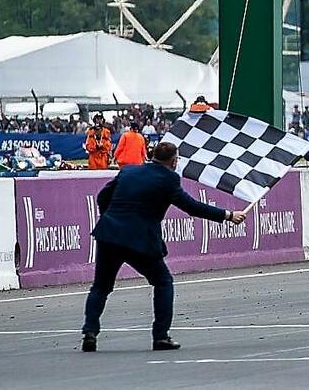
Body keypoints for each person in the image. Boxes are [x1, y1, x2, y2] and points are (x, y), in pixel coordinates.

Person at [80, 142, 246, 352]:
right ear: (174, 161)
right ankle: (160, 336)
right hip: (140, 239)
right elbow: (191, 207)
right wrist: (228, 215)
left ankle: (89, 332)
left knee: (101, 286)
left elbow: (102, 197)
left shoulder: (128, 171)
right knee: (163, 282)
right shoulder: (169, 179)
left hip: (109, 234)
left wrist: (111, 218)